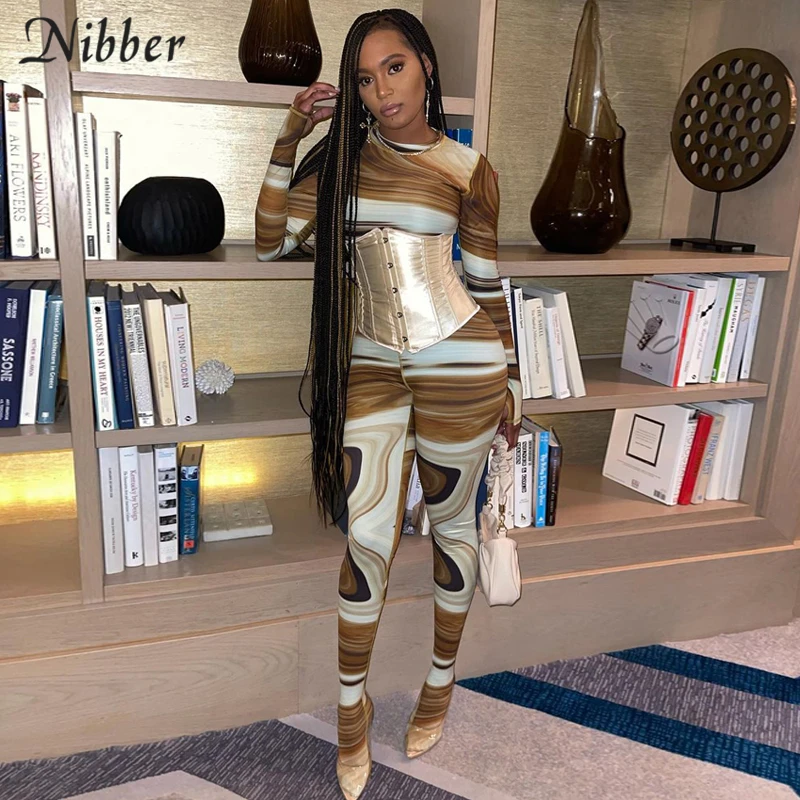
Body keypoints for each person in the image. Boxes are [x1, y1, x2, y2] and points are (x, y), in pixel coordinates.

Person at [256, 8, 521, 798]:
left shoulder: (469, 168)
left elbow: (484, 280)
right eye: (366, 79)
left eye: (395, 68)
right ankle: (352, 714)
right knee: (365, 541)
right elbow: (271, 241)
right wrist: (288, 137)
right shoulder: (341, 164)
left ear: (426, 66)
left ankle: (439, 683)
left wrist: (511, 378)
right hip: (371, 366)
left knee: (451, 528)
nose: (382, 90)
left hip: (461, 361)